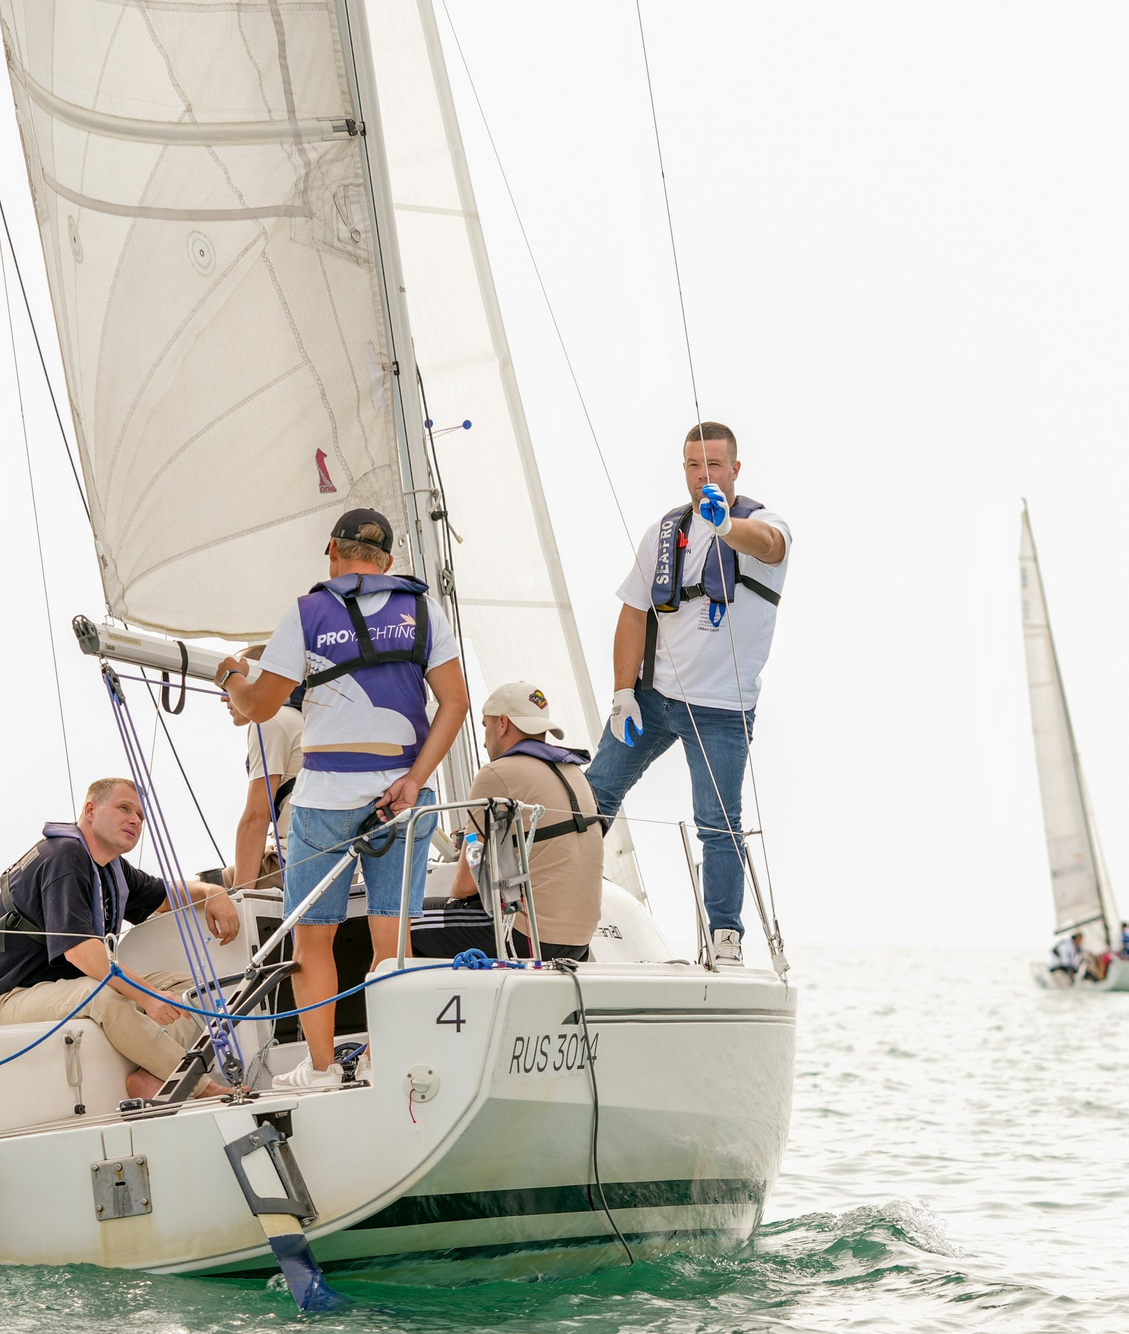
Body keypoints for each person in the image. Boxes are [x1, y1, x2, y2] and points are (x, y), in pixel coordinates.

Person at [218, 507, 469, 1091]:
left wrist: (232, 674)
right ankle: (386, 1058)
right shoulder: (423, 610)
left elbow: (257, 707)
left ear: (332, 549)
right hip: (400, 796)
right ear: (388, 561)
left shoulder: (308, 613)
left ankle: (324, 1069)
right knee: (392, 938)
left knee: (314, 939)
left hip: (325, 798)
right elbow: (453, 703)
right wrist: (414, 780)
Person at [589, 421, 792, 968]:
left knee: (718, 823)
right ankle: (557, 908)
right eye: (693, 466)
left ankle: (725, 939)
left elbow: (770, 547)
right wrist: (621, 694)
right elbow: (634, 611)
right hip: (654, 700)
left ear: (735, 469)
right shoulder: (664, 530)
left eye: (714, 465)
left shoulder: (763, 524)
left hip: (723, 710)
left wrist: (726, 526)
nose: (703, 475)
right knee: (592, 797)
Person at [0, 778, 241, 1101]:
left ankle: (155, 1077)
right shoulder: (64, 856)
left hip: (53, 993)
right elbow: (81, 952)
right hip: (1, 1002)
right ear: (91, 810)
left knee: (195, 988)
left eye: (140, 814)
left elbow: (165, 895)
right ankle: (197, 1086)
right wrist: (147, 996)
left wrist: (211, 891)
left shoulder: (111, 868)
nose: (135, 819)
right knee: (107, 996)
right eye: (124, 808)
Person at [412, 682, 606, 962]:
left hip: (527, 935)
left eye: (485, 726)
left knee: (400, 923)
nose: (483, 740)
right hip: (579, 943)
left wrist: (468, 844)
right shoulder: (576, 774)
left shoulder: (497, 774)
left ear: (502, 723)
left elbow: (464, 887)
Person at [228, 646, 305, 890]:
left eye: (233, 683)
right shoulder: (303, 719)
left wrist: (241, 900)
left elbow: (256, 818)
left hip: (297, 863)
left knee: (194, 896)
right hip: (332, 860)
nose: (224, 696)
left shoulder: (271, 721)